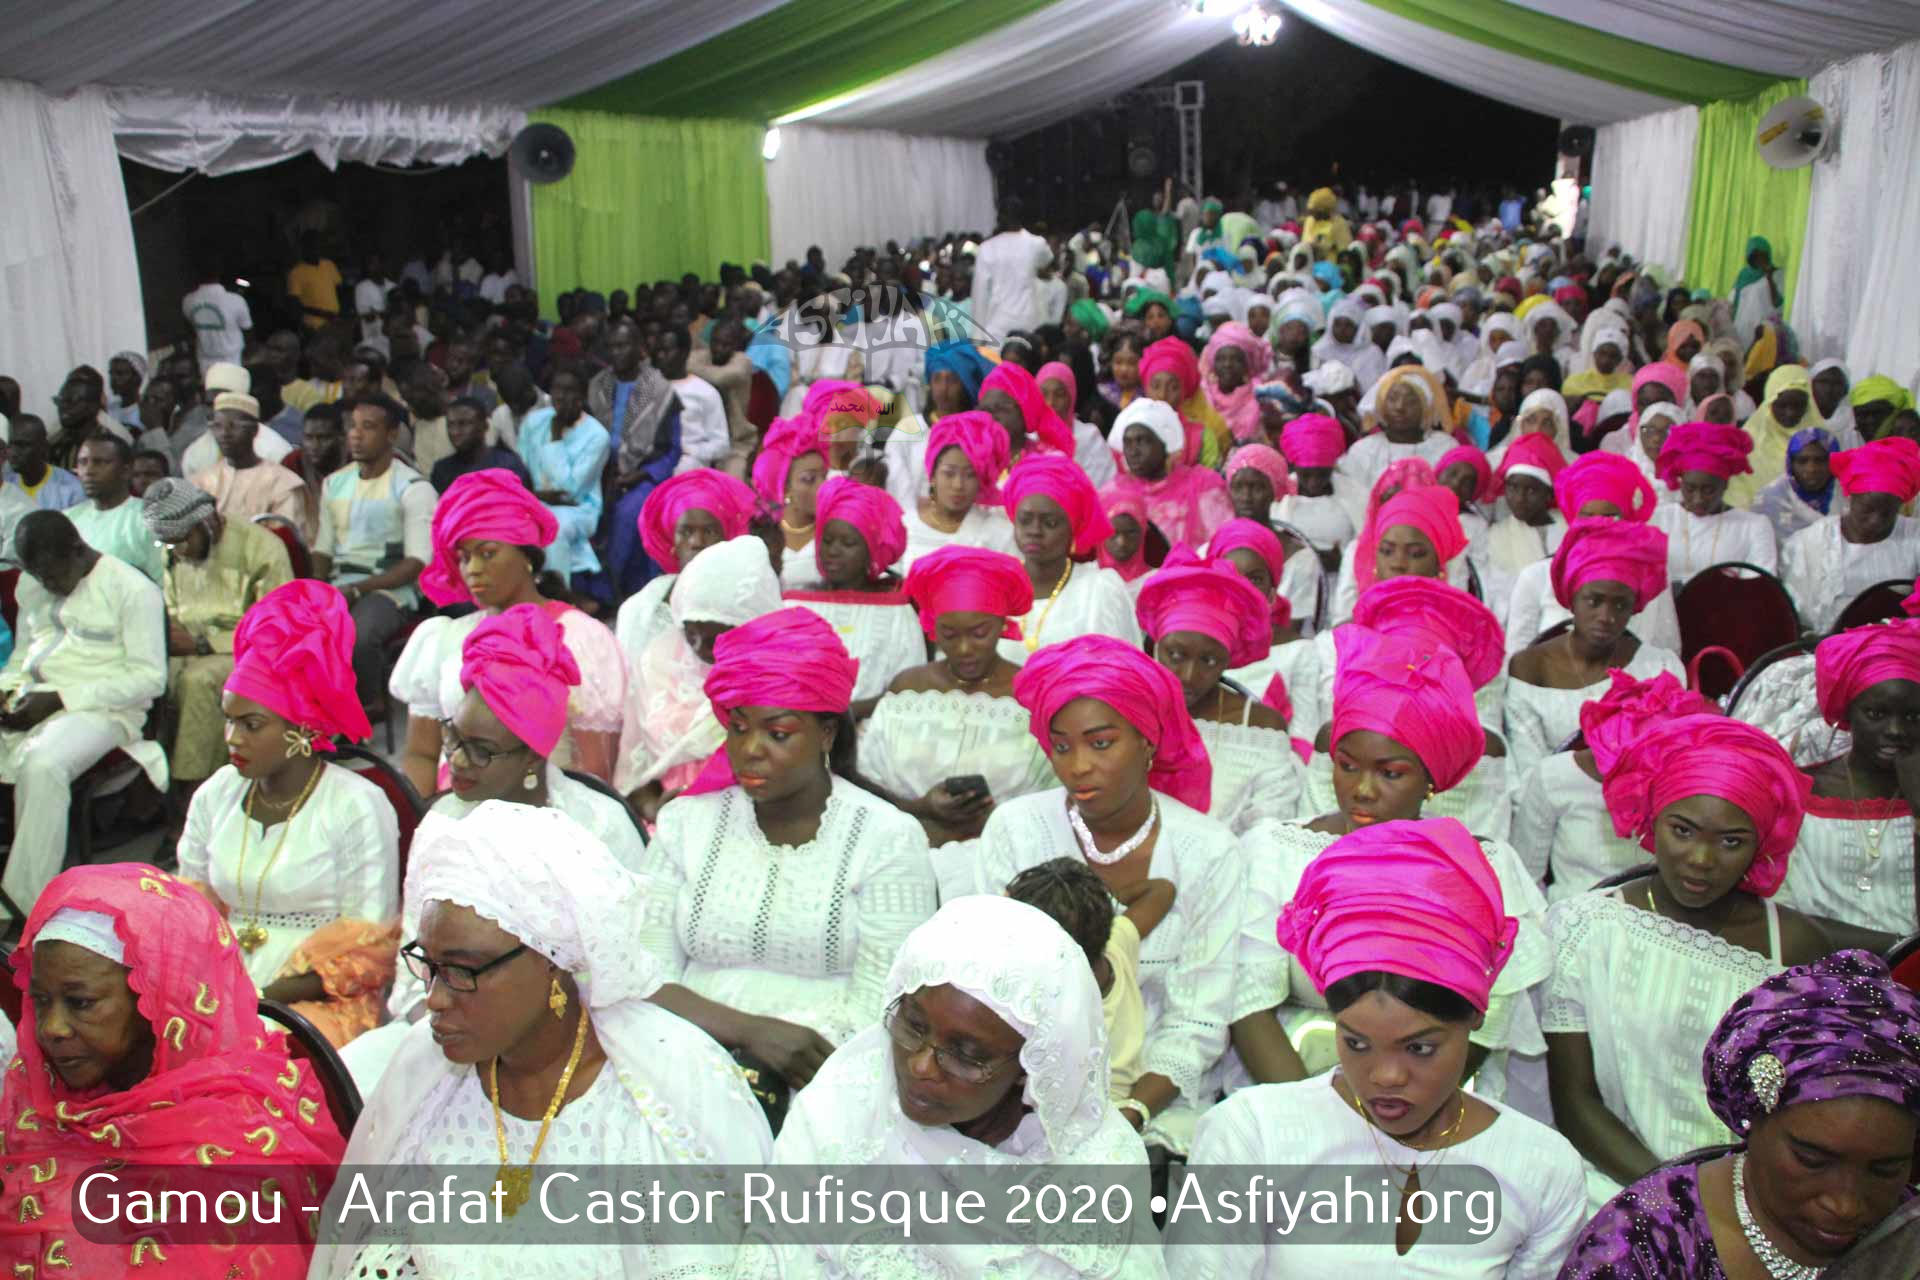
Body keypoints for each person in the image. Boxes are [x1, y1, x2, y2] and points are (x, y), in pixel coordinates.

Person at [313, 802, 772, 1279]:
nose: (435, 998)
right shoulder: (424, 1083)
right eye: (429, 965)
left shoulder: (662, 1104)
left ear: (552, 959)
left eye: (463, 971)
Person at [1180, 817, 1585, 1276]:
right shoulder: (1253, 1136)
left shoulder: (1540, 1169)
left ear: (1475, 1017)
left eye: (1419, 1049)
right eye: (1356, 1042)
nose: (1385, 1077)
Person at [734, 895, 1170, 1280]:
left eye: (966, 1054)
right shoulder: (847, 1098)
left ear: (1030, 1066)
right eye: (913, 1025)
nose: (921, 1065)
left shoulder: (1090, 1171)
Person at [636, 607, 935, 1097]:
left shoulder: (887, 838)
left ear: (826, 733)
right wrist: (747, 1034)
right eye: (738, 728)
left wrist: (796, 1084)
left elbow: (884, 1007)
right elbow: (642, 976)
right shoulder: (684, 825)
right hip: (678, 1063)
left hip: (831, 1081)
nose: (751, 749)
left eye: (777, 734)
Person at [0, 863, 346, 1278]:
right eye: (40, 1000)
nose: (51, 1029)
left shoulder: (240, 1150)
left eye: (81, 1003)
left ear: (159, 999)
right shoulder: (36, 1091)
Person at [1544, 713, 1830, 1211]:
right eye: (1683, 830)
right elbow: (1577, 1105)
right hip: (1613, 1189)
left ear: (1761, 843)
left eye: (1731, 841)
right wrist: (1682, 1205)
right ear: (1652, 820)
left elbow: (1801, 1106)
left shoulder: (1793, 947)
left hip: (1755, 1200)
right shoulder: (1584, 928)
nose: (1700, 859)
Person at [970, 634, 1244, 1153]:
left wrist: (1132, 1110)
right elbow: (993, 986)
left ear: (1147, 741)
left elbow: (1198, 1019)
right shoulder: (1016, 829)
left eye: (1100, 743)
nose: (1077, 767)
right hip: (1021, 1083)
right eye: (1061, 745)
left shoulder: (1208, 852)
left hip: (1156, 1095)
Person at [1561, 949, 1920, 1279]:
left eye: (1885, 1170)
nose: (1846, 1205)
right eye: (1812, 1160)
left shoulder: (1907, 1235)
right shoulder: (1643, 1246)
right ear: (1752, 1117)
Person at [175, 580, 397, 1046]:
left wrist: (261, 997)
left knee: (254, 1050)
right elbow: (188, 908)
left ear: (302, 728)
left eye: (251, 724)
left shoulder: (355, 805)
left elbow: (369, 944)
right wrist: (219, 986)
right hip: (221, 979)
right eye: (229, 719)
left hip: (318, 997)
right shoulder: (217, 793)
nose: (232, 738)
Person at [392, 469, 623, 793]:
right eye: (464, 557)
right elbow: (422, 754)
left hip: (549, 814)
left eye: (488, 554)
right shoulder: (444, 639)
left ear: (527, 557)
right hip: (456, 811)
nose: (473, 569)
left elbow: (594, 768)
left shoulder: (579, 639)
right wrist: (423, 823)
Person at [0, 511, 166, 907]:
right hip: (34, 695)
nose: (46, 585)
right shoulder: (33, 583)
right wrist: (8, 691)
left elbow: (149, 678)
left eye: (51, 575)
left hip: (104, 710)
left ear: (77, 550)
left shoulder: (131, 589)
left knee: (43, 765)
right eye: (38, 576)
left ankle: (25, 903)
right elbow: (24, 653)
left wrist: (62, 698)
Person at [861, 546, 1051, 874]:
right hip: (901, 860)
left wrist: (995, 818)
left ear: (1001, 624)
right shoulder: (909, 689)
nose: (964, 649)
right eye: (949, 634)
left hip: (1007, 865)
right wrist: (920, 807)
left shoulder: (1031, 694)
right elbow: (865, 779)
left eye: (980, 633)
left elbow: (1056, 793)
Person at [142, 478, 293, 799]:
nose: (177, 553)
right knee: (147, 677)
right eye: (169, 546)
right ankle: (145, 788)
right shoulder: (174, 549)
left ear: (207, 522)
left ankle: (193, 792)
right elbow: (172, 608)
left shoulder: (261, 547)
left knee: (197, 681)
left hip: (249, 652)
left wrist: (203, 645)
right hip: (185, 647)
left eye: (182, 541)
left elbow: (276, 630)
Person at [617, 534, 784, 824]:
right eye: (689, 633)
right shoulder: (660, 661)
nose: (697, 649)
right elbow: (635, 769)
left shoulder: (777, 675)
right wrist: (656, 809)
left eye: (714, 639)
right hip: (667, 819)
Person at [1511, 670, 1717, 904]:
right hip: (1571, 915)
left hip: (1654, 917)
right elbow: (1525, 879)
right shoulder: (1554, 776)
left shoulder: (1683, 786)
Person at [1136, 553, 1304, 832]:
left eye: (1209, 661)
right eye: (1175, 655)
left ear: (1229, 659)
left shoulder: (1257, 728)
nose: (1189, 676)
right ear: (1156, 644)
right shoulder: (1128, 711)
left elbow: (1268, 829)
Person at [1777, 618, 1920, 944]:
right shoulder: (1803, 789)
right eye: (1876, 714)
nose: (1896, 730)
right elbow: (1781, 911)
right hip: (1817, 970)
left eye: (1913, 717)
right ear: (1848, 713)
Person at [1505, 518, 1680, 781]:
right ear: (1572, 599)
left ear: (1635, 607)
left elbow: (1665, 763)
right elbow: (1527, 775)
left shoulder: (1660, 669)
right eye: (1594, 601)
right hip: (1549, 807)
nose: (1606, 616)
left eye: (1620, 605)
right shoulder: (1530, 668)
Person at [312, 392, 435, 716]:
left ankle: (370, 704)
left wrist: (357, 590)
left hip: (390, 587)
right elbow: (323, 549)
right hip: (343, 581)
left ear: (392, 435)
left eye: (368, 427)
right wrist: (314, 587)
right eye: (352, 426)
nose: (356, 434)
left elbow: (416, 563)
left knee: (358, 632)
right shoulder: (334, 484)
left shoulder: (412, 488)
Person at [782, 476, 921, 707]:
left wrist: (854, 713)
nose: (833, 551)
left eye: (847, 544)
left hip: (875, 730)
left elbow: (909, 689)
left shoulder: (898, 612)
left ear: (871, 552)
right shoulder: (796, 606)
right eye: (827, 541)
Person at [998, 454, 1142, 663]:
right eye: (1025, 520)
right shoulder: (996, 587)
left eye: (1050, 523)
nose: (1035, 531)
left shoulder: (1098, 591)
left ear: (1073, 528)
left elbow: (1118, 675)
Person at [1783, 437, 1920, 632]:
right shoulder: (1807, 543)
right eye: (1867, 510)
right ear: (1851, 497)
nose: (1876, 520)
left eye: (1887, 513)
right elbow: (1799, 620)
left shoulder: (1915, 537)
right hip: (1825, 645)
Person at [592, 320, 683, 597]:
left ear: (640, 348)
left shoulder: (659, 389)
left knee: (628, 513)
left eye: (623, 346)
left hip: (644, 473)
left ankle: (624, 591)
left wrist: (642, 474)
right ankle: (594, 590)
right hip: (597, 470)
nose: (616, 353)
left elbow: (673, 449)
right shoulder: (598, 386)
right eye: (611, 347)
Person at [1651, 418, 1778, 583]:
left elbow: (1759, 587)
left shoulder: (1753, 526)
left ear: (1725, 485)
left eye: (1708, 490)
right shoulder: (1659, 520)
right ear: (1681, 482)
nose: (1698, 499)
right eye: (1690, 489)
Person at [514, 365, 608, 586]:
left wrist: (556, 438)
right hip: (533, 499)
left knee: (554, 526)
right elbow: (520, 468)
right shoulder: (534, 422)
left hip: (578, 509)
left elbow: (571, 491)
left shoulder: (596, 435)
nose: (561, 397)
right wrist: (537, 496)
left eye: (569, 390)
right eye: (557, 389)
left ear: (582, 396)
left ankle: (558, 595)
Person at [1108, 397, 1233, 548]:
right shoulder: (1114, 493)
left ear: (1165, 444)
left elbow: (1224, 543)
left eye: (1142, 441)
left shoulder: (1202, 485)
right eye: (1127, 443)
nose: (1133, 451)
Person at [900, 410, 1017, 569]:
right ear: (932, 475)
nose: (958, 485)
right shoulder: (904, 527)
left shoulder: (1000, 533)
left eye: (970, 475)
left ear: (981, 480)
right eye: (949, 473)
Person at [188, 390, 310, 540]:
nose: (225, 433)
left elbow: (285, 541)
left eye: (233, 426)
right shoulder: (200, 482)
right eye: (218, 426)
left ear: (255, 430)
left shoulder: (283, 484)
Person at [66, 431, 165, 583]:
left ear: (126, 471)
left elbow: (162, 582)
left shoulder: (151, 518)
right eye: (83, 462)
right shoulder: (68, 519)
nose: (89, 471)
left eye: (100, 462)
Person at [1731, 364, 1823, 509]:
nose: (1790, 413)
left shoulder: (1823, 441)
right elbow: (1737, 496)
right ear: (1769, 404)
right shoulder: (1747, 444)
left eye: (1798, 405)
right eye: (1782, 405)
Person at [1276, 411, 1357, 556]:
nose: (1314, 482)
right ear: (1293, 466)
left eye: (1322, 474)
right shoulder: (1278, 495)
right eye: (1306, 474)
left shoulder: (1355, 494)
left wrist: (1342, 559)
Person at [1751, 426, 1839, 549]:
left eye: (1820, 460)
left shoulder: (1847, 496)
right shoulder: (1770, 498)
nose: (1811, 469)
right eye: (1802, 461)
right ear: (1790, 464)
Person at [972, 208, 1053, 341]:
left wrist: (977, 336)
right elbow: (1047, 259)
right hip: (1028, 320)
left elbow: (980, 293)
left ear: (999, 219)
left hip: (997, 321)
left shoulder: (987, 248)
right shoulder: (1036, 243)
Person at [1036, 359, 1119, 485]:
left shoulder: (1089, 438)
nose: (1050, 403)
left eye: (1059, 395)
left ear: (1072, 396)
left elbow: (1100, 486)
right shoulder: (1028, 437)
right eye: (1044, 394)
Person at [429, 394, 531, 492]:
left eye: (464, 424)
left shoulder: (507, 465)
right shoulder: (442, 470)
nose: (455, 432)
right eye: (450, 425)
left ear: (485, 426)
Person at [182, 261, 254, 369]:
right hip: (233, 359)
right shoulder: (235, 300)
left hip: (205, 361)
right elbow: (247, 328)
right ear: (220, 274)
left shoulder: (188, 300)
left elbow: (190, 329)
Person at [2, 414, 83, 510]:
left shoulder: (72, 491)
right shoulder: (6, 484)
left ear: (44, 447)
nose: (13, 453)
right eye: (10, 445)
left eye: (22, 445)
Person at [1730, 234, 1785, 346]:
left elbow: (1777, 302)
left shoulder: (1777, 274)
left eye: (1762, 255)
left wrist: (1769, 277)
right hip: (1743, 328)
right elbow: (1735, 303)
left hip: (1766, 328)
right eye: (1755, 256)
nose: (1760, 260)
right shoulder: (1744, 275)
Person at [286, 231, 342, 330]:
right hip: (314, 326)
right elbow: (294, 306)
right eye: (310, 245)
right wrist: (322, 313)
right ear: (303, 248)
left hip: (335, 322)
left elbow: (339, 290)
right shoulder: (296, 273)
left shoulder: (329, 265)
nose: (315, 248)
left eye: (317, 244)